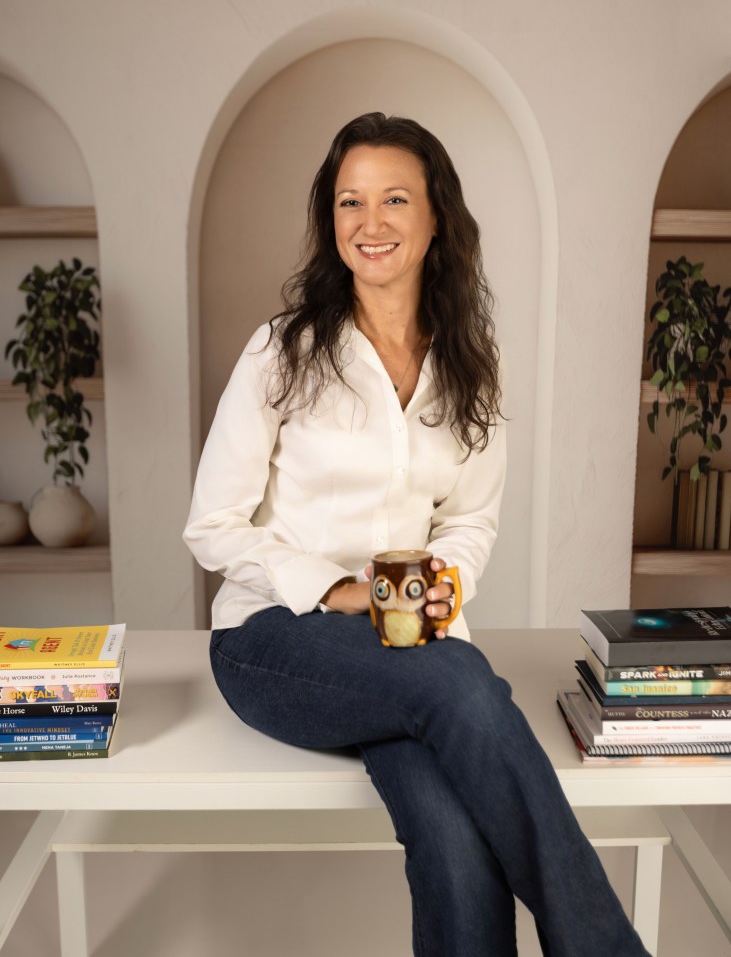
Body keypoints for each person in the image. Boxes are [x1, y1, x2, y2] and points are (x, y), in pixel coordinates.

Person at [183, 112, 650, 957]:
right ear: (331, 222)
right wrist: (339, 590)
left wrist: (447, 582)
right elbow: (210, 525)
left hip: (407, 648)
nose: (371, 223)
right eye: (349, 202)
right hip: (270, 640)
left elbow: (470, 516)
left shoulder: (471, 361)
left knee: (452, 833)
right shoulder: (280, 354)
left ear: (436, 218)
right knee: (462, 684)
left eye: (394, 198)